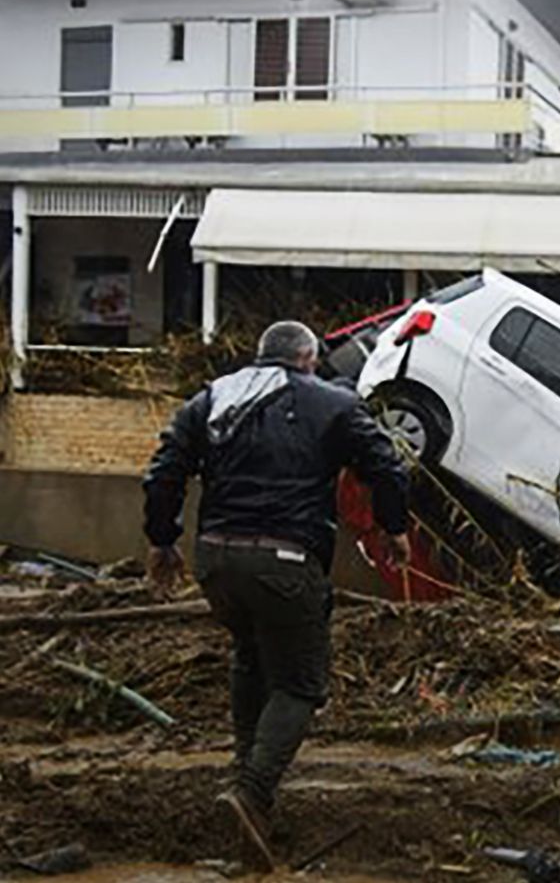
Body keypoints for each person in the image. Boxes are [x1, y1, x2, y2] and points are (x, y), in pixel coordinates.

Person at [142, 321, 411, 866]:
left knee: (251, 657)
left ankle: (247, 789)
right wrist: (393, 526)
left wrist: (162, 540)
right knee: (300, 681)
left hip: (215, 558)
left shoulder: (212, 398)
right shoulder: (332, 403)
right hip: (285, 559)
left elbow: (164, 468)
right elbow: (386, 462)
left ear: (260, 356)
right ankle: (252, 790)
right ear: (308, 359)